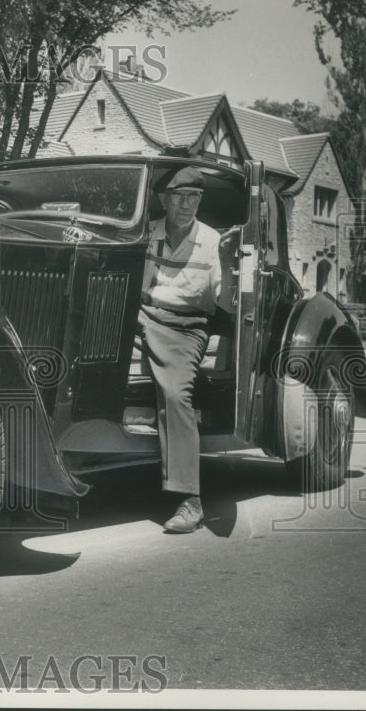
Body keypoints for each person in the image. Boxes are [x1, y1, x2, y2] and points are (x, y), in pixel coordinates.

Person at [138, 166, 239, 533]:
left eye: (194, 197)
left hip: (186, 326)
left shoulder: (212, 241)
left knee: (176, 396)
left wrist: (228, 265)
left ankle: (190, 501)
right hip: (140, 315)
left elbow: (225, 304)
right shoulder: (148, 230)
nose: (187, 205)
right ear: (164, 199)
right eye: (179, 197)